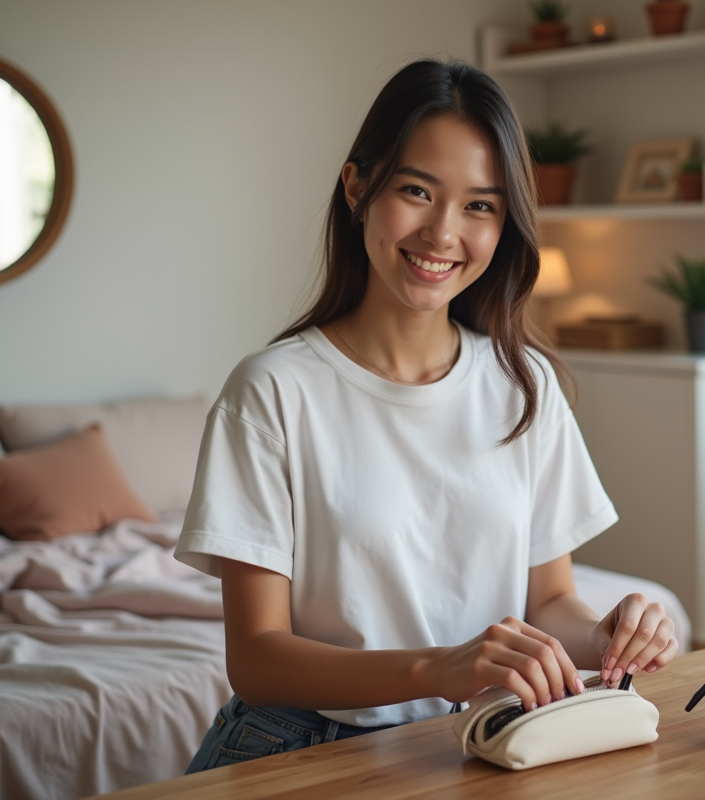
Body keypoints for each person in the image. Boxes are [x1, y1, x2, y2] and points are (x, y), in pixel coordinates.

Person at [174, 58, 679, 772]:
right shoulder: (271, 391)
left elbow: (551, 601)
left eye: (480, 205)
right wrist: (438, 670)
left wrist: (611, 634)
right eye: (417, 191)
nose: (443, 233)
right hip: (298, 747)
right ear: (357, 188)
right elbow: (257, 660)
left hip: (476, 745)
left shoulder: (523, 384)